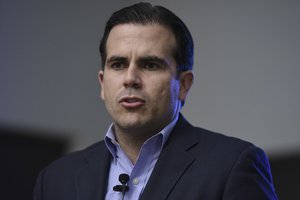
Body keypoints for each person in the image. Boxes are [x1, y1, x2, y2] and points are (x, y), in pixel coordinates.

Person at [33, 2, 278, 200]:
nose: (130, 79)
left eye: (150, 64)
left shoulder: (232, 165)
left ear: (183, 85)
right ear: (102, 83)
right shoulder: (55, 179)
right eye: (118, 64)